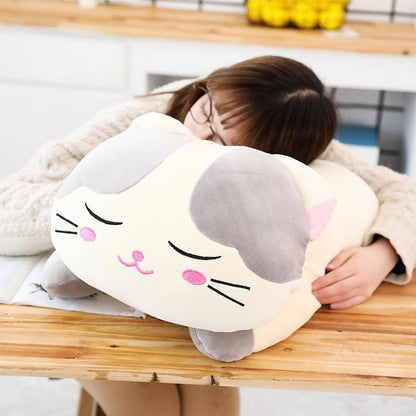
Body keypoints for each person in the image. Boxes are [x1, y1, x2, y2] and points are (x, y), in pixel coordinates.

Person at [1, 56, 414, 415]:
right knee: (151, 407)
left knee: (212, 398)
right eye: (205, 113)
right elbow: (9, 202)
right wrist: (106, 203)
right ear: (206, 89)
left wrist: (382, 255)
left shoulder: (290, 143)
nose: (199, 135)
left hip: (191, 307)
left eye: (222, 142)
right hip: (84, 299)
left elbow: (401, 189)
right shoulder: (147, 116)